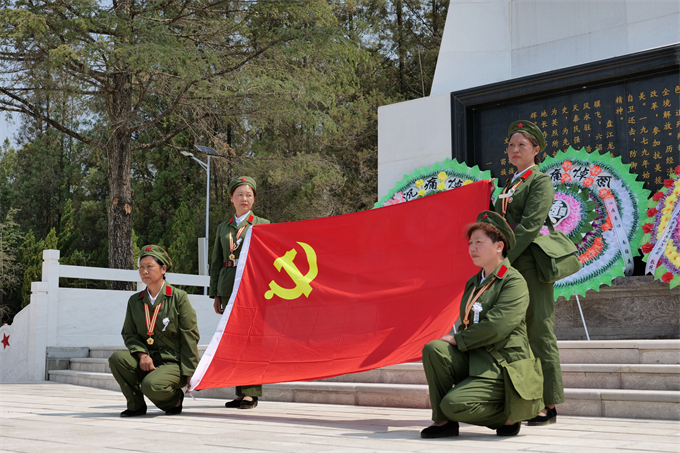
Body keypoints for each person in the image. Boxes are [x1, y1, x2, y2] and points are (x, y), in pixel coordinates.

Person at [420, 211, 543, 438]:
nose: (472, 248)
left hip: (501, 365)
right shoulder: (474, 282)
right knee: (434, 349)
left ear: (499, 247)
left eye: (479, 242)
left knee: (453, 404)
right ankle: (443, 422)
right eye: (470, 243)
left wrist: (459, 339)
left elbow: (497, 326)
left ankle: (510, 414)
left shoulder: (513, 281)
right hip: (476, 357)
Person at [494, 120, 564, 425]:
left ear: (536, 149)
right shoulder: (508, 185)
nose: (514, 149)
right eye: (511, 144)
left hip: (530, 265)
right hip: (509, 265)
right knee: (514, 332)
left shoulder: (540, 181)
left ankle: (549, 404)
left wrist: (503, 258)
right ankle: (525, 399)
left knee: (539, 329)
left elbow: (530, 225)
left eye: (521, 144)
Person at [109, 245, 200, 417]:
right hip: (147, 360)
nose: (144, 271)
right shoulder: (135, 301)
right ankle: (136, 406)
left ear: (163, 269)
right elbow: (129, 334)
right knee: (117, 359)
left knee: (151, 385)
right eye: (141, 267)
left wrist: (190, 372)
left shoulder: (178, 297)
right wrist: (142, 354)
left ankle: (174, 400)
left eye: (149, 266)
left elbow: (190, 335)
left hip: (172, 363)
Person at [210, 176, 270, 409]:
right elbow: (216, 261)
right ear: (231, 198)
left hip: (252, 287)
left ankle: (251, 393)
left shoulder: (262, 224)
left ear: (254, 199)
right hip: (228, 287)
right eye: (240, 195)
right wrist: (216, 293)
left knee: (252, 340)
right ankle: (240, 392)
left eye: (249, 195)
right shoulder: (222, 228)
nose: (244, 198)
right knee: (234, 340)